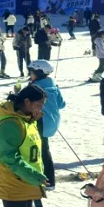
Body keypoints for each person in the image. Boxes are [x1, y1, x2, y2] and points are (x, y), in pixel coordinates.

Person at [27, 60, 64, 188]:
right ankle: (46, 179)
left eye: (31, 72)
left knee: (40, 150)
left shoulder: (34, 87)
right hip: (52, 121)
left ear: (38, 73)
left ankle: (47, 181)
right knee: (43, 148)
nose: (30, 74)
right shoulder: (53, 85)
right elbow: (61, 104)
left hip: (40, 121)